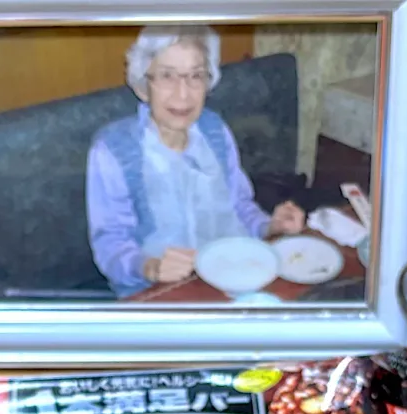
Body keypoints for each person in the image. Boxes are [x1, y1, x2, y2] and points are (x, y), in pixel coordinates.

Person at [86, 24, 306, 297]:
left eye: (195, 76)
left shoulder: (214, 130)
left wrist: (269, 226)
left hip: (232, 273)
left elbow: (238, 205)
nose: (183, 93)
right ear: (144, 85)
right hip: (158, 293)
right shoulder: (113, 149)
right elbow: (111, 244)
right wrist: (150, 267)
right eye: (167, 76)